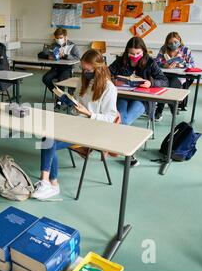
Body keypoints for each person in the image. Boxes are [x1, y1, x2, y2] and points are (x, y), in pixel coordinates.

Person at [32, 49, 118, 200]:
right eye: (83, 69)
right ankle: (50, 183)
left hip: (94, 130)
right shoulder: (82, 81)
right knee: (47, 139)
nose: (84, 72)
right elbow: (78, 105)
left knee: (48, 142)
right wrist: (71, 104)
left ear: (99, 68)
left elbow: (111, 118)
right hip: (77, 124)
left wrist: (89, 114)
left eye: (88, 70)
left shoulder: (109, 88)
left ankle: (49, 183)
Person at [109, 36, 168, 167]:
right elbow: (106, 73)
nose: (134, 56)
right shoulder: (120, 61)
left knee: (124, 120)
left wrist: (151, 82)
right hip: (123, 96)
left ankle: (120, 150)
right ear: (126, 51)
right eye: (131, 53)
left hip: (142, 99)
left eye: (138, 53)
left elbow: (164, 80)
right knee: (122, 118)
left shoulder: (150, 62)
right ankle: (127, 153)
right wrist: (113, 80)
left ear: (143, 51)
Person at [155, 32, 195, 120]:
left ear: (180, 40)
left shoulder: (186, 50)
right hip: (166, 74)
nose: (173, 44)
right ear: (167, 43)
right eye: (170, 43)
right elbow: (156, 62)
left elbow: (192, 64)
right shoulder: (164, 49)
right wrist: (164, 65)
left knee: (169, 84)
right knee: (165, 84)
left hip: (180, 76)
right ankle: (173, 108)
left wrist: (182, 65)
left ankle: (159, 110)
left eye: (175, 41)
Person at [39, 28, 81, 107]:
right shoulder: (53, 45)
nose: (59, 40)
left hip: (67, 69)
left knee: (61, 81)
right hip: (55, 68)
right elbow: (40, 54)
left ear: (66, 37)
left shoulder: (72, 46)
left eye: (61, 38)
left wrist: (65, 55)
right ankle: (58, 95)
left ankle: (59, 101)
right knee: (45, 78)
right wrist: (48, 56)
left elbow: (78, 58)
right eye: (57, 38)